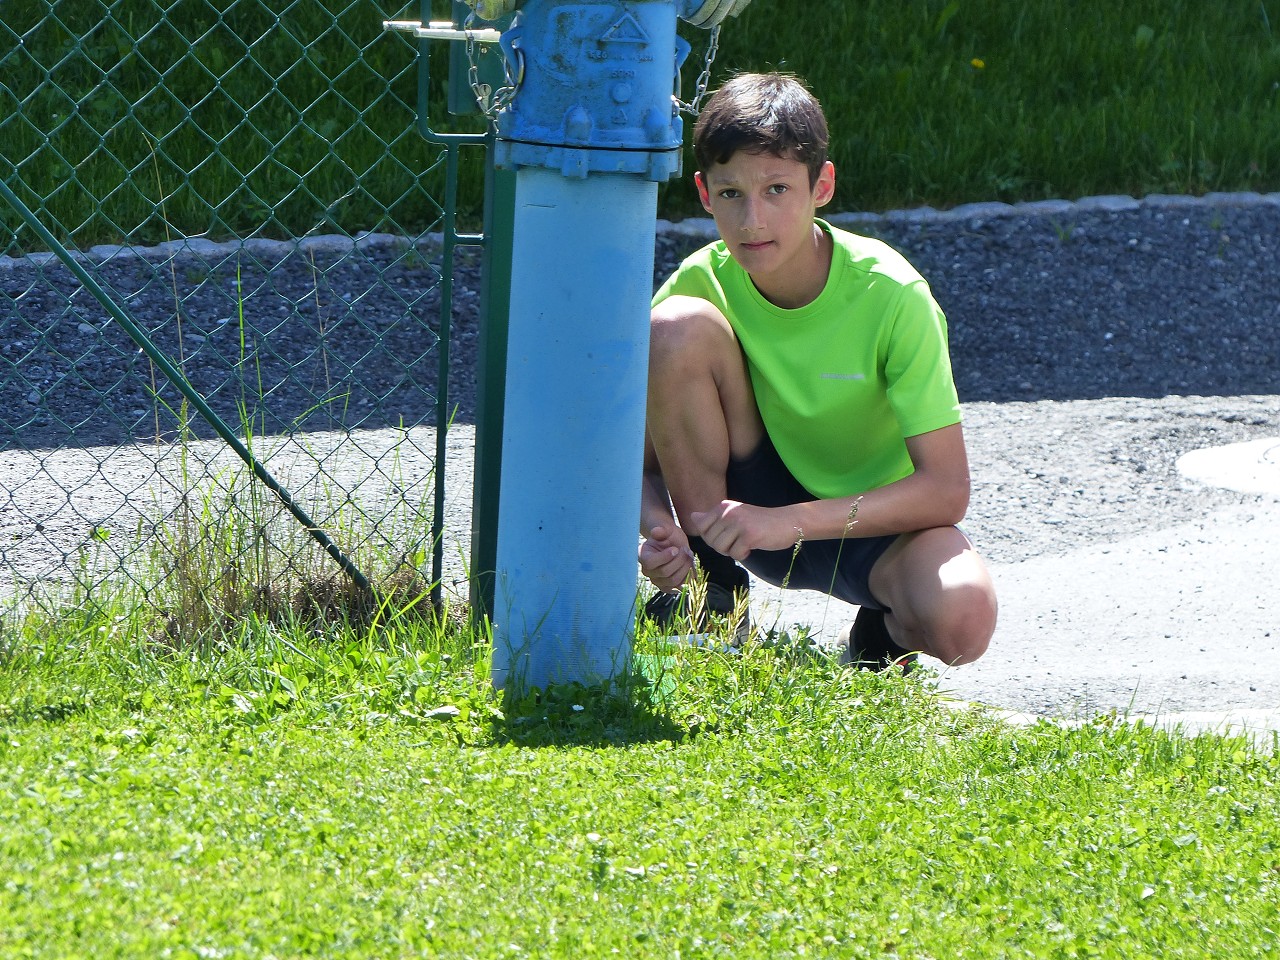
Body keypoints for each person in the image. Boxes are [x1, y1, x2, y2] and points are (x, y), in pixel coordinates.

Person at [638, 72, 997, 670]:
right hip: (737, 518)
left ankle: (881, 638)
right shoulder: (697, 285)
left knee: (964, 619)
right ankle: (711, 593)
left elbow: (946, 489)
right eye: (731, 193)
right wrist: (659, 531)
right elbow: (633, 457)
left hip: (873, 526)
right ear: (703, 193)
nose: (752, 220)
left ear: (821, 186)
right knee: (674, 326)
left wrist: (791, 523)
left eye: (777, 189)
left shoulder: (893, 294)